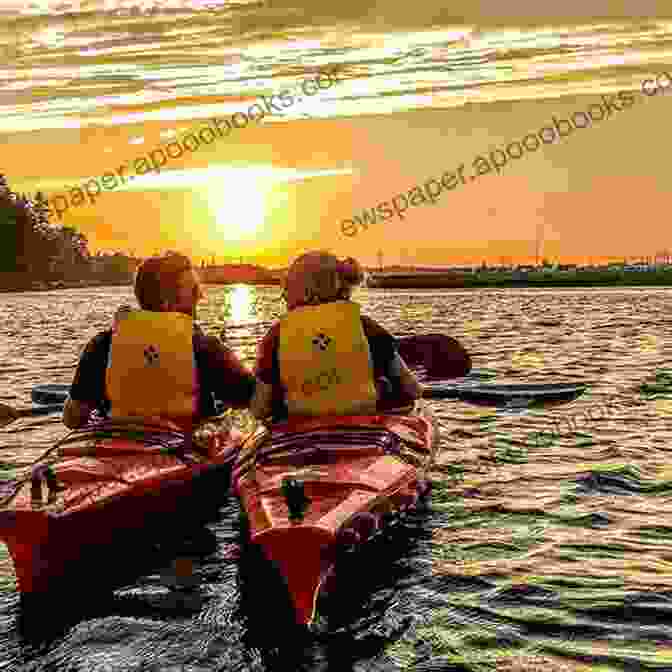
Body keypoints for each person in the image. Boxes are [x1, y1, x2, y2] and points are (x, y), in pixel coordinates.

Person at [63, 252, 256, 431]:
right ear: (166, 302)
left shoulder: (102, 344)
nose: (200, 297)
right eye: (194, 291)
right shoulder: (204, 348)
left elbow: (72, 419)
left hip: (117, 448)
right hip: (186, 448)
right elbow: (258, 402)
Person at [250, 251, 424, 422]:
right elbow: (413, 390)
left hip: (299, 426)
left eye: (286, 288)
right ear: (344, 286)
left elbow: (259, 410)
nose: (284, 296)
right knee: (387, 386)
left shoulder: (276, 335)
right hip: (365, 423)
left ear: (295, 291)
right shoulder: (367, 327)